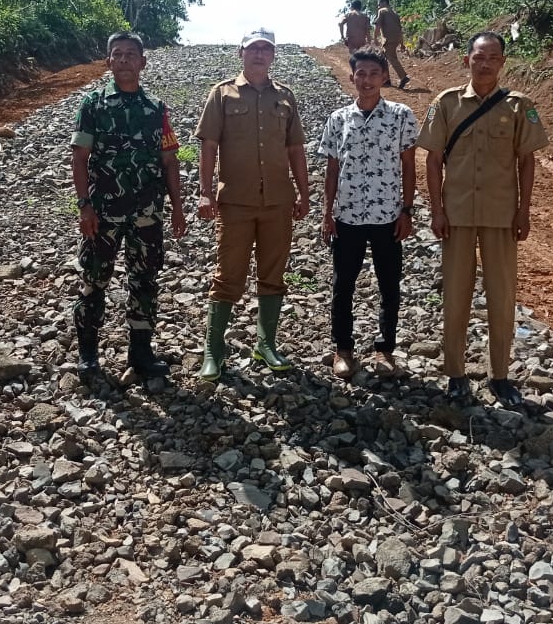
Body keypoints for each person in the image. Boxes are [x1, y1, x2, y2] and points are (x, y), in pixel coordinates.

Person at [419, 31, 548, 407]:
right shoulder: (446, 103)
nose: (485, 63)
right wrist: (437, 209)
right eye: (479, 57)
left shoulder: (519, 106)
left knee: (502, 297)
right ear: (466, 61)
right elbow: (431, 159)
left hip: (501, 215)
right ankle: (456, 373)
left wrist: (524, 211)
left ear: (502, 62)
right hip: (457, 214)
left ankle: (501, 375)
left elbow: (527, 161)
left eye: (493, 57)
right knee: (456, 295)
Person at [71, 30, 188, 378]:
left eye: (130, 54)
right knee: (94, 280)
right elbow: (80, 158)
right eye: (117, 54)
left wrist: (178, 209)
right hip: (103, 213)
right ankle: (88, 356)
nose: (124, 60)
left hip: (146, 214)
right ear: (108, 62)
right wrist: (84, 206)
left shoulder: (156, 110)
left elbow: (170, 161)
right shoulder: (93, 105)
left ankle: (140, 354)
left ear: (142, 62)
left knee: (145, 281)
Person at [195, 28, 310, 380]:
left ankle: (266, 344)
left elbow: (295, 150)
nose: (260, 54)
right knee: (228, 276)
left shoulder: (285, 97)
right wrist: (204, 191)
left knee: (273, 275)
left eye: (266, 49)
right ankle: (213, 353)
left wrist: (304, 193)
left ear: (273, 55)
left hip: (277, 201)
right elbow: (209, 145)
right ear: (241, 53)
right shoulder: (222, 94)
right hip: (236, 203)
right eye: (253, 48)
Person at [320, 46, 419, 379]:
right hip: (347, 215)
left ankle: (384, 350)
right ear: (351, 77)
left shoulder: (401, 115)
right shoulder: (338, 119)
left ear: (385, 77)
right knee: (343, 285)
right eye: (360, 73)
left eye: (373, 73)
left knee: (389, 285)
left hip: (387, 217)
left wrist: (407, 210)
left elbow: (408, 167)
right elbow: (332, 170)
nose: (366, 80)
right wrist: (327, 213)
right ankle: (343, 349)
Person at [373, 0, 410, 90]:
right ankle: (386, 79)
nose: (378, 6)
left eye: (379, 4)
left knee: (391, 58)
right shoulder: (395, 13)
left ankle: (403, 77)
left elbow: (378, 25)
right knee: (384, 57)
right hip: (396, 38)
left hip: (388, 39)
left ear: (384, 3)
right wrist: (401, 43)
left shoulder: (382, 11)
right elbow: (400, 29)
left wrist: (375, 38)